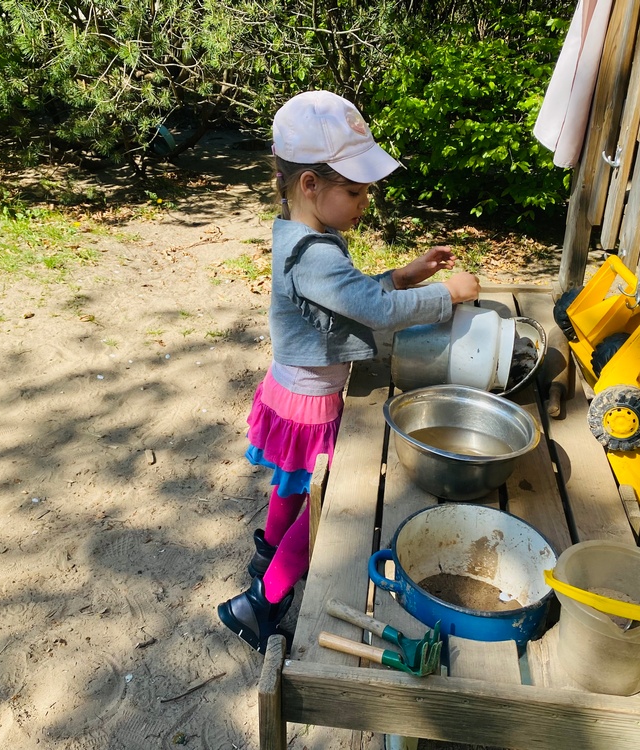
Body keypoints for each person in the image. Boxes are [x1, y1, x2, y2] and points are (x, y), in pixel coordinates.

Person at [217, 90, 480, 653]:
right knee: (325, 508)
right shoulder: (314, 253)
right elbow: (374, 310)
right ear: (311, 184)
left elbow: (352, 297)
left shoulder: (305, 234)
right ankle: (260, 603)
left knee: (293, 481)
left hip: (294, 391)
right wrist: (446, 295)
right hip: (310, 403)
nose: (365, 203)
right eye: (356, 192)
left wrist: (404, 276)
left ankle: (267, 554)